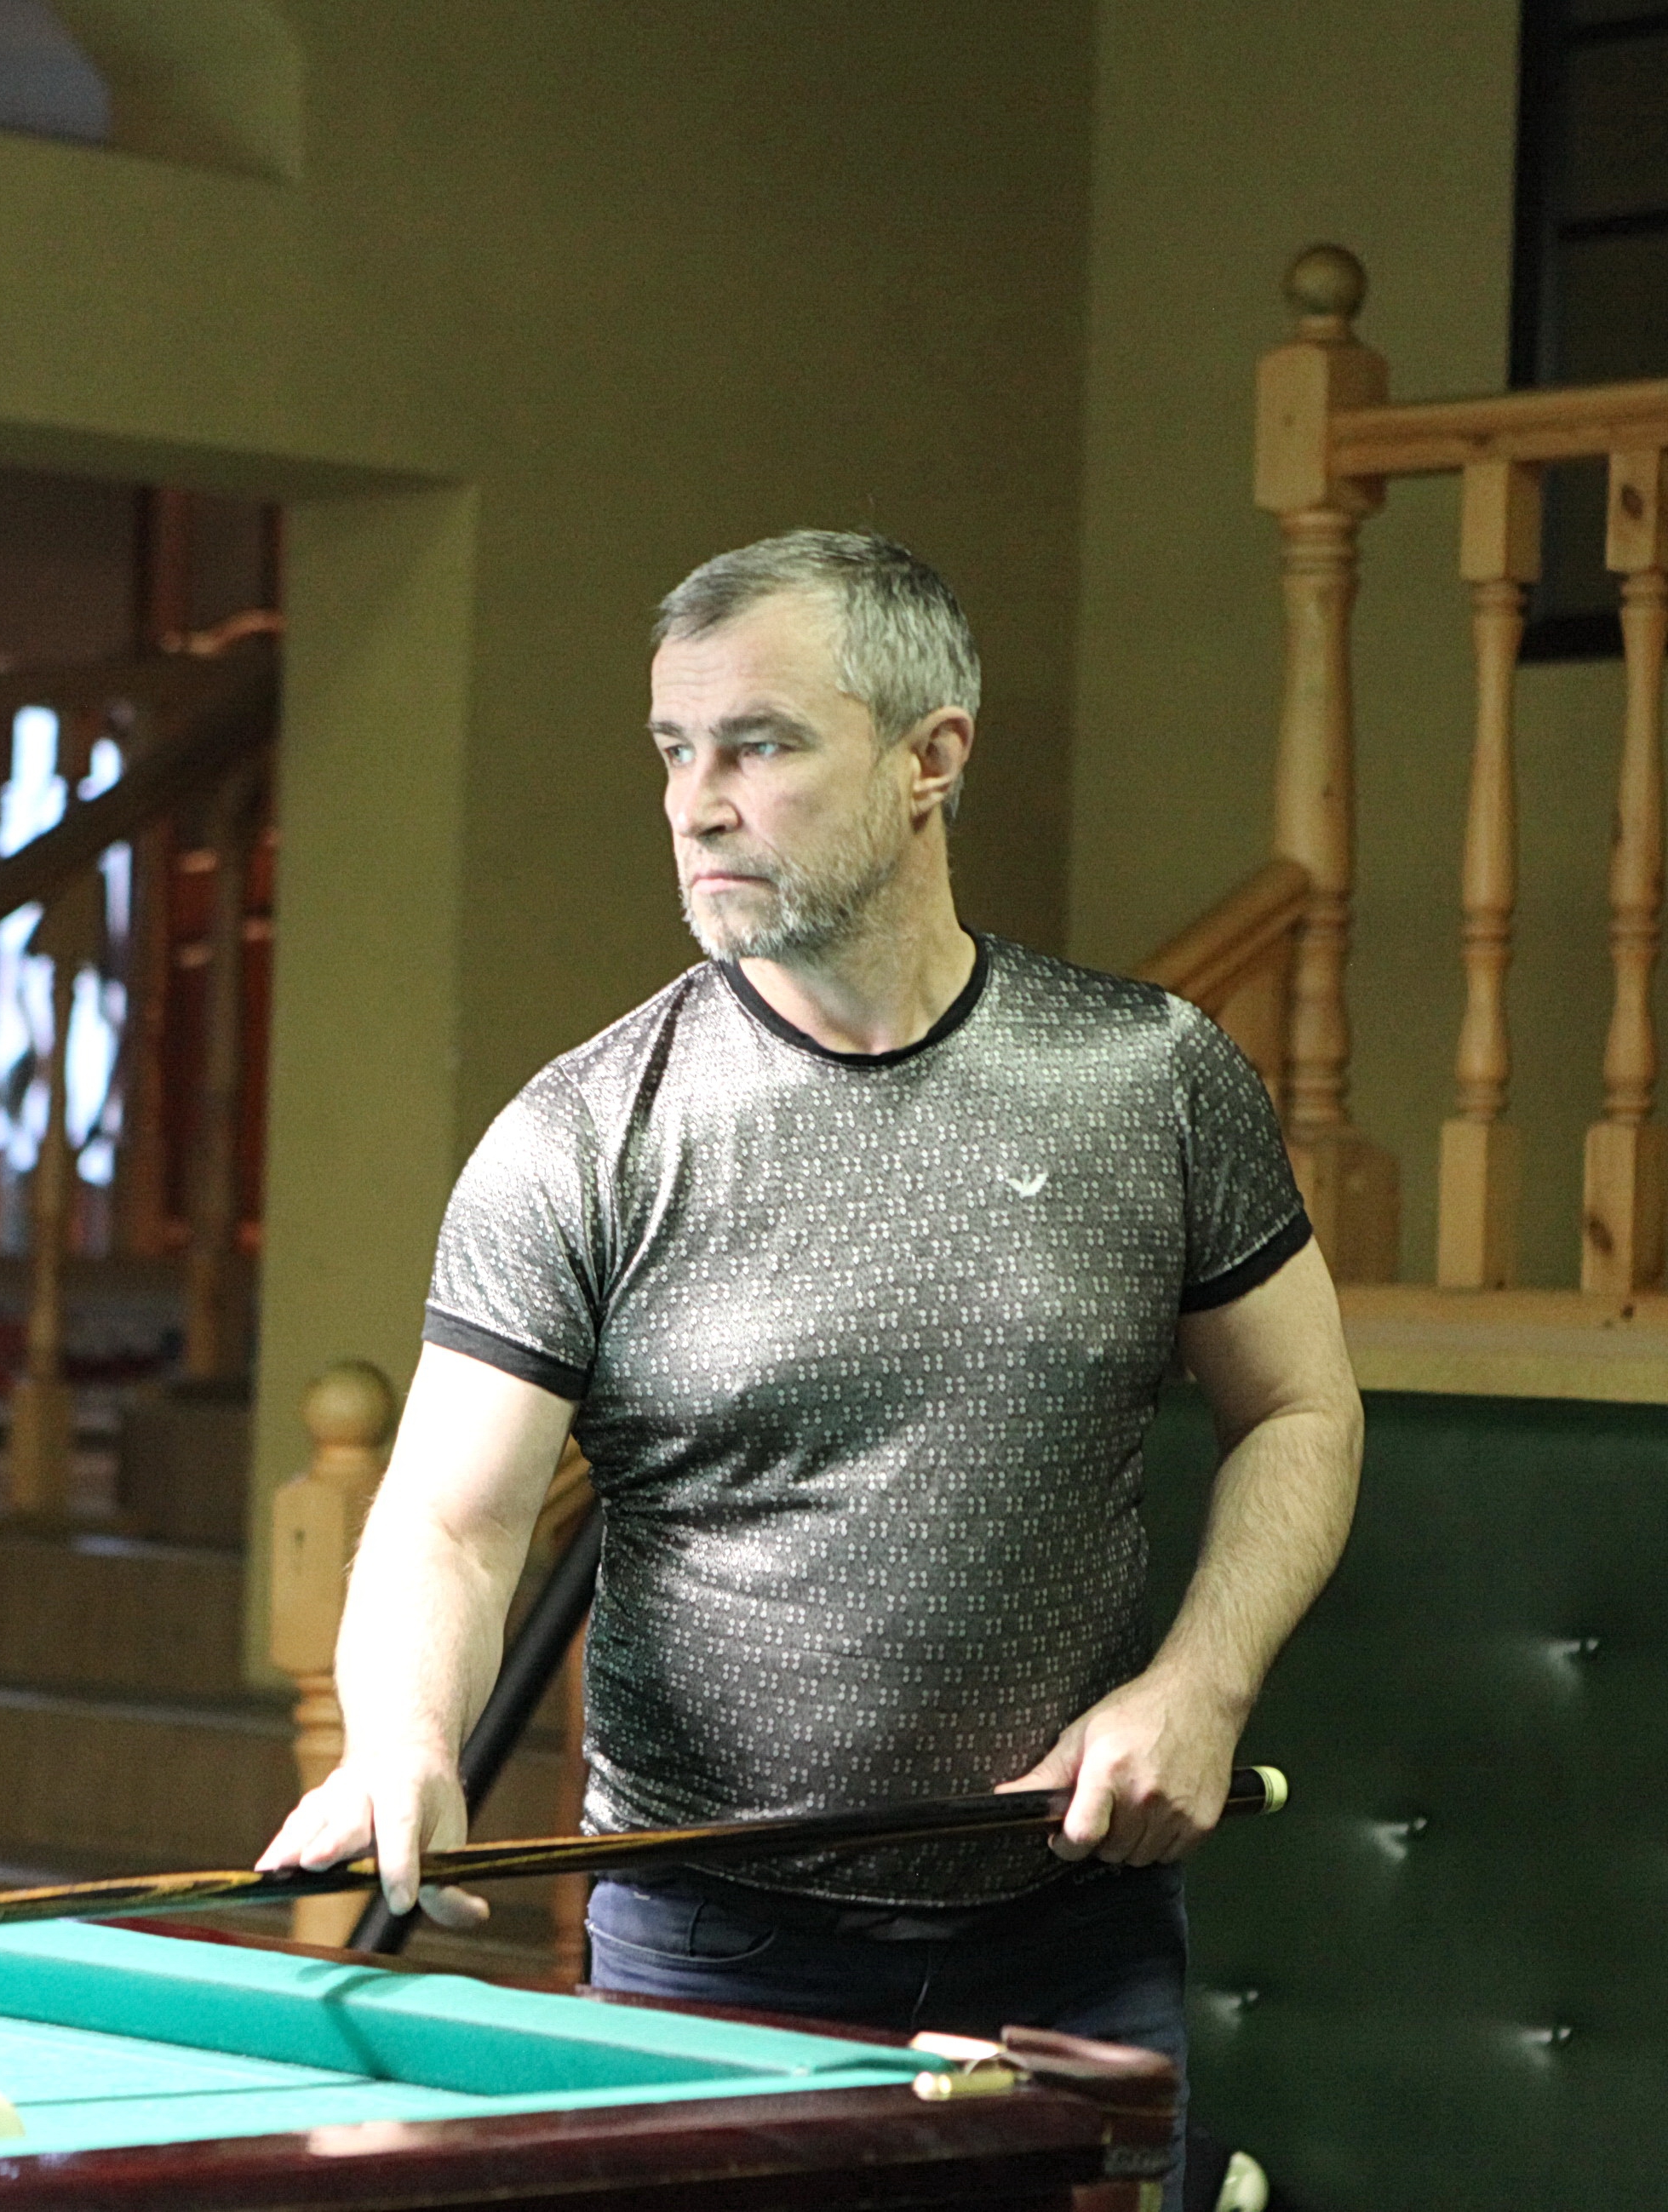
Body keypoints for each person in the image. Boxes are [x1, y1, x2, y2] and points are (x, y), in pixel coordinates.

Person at [258, 530, 1362, 2188]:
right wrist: (401, 1734)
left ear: (932, 759)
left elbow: (1300, 1406)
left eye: (758, 746)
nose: (695, 804)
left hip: (1073, 1931)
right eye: (674, 750)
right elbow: (450, 1521)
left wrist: (1202, 1681)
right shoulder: (583, 1135)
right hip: (712, 1949)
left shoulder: (1153, 1080)